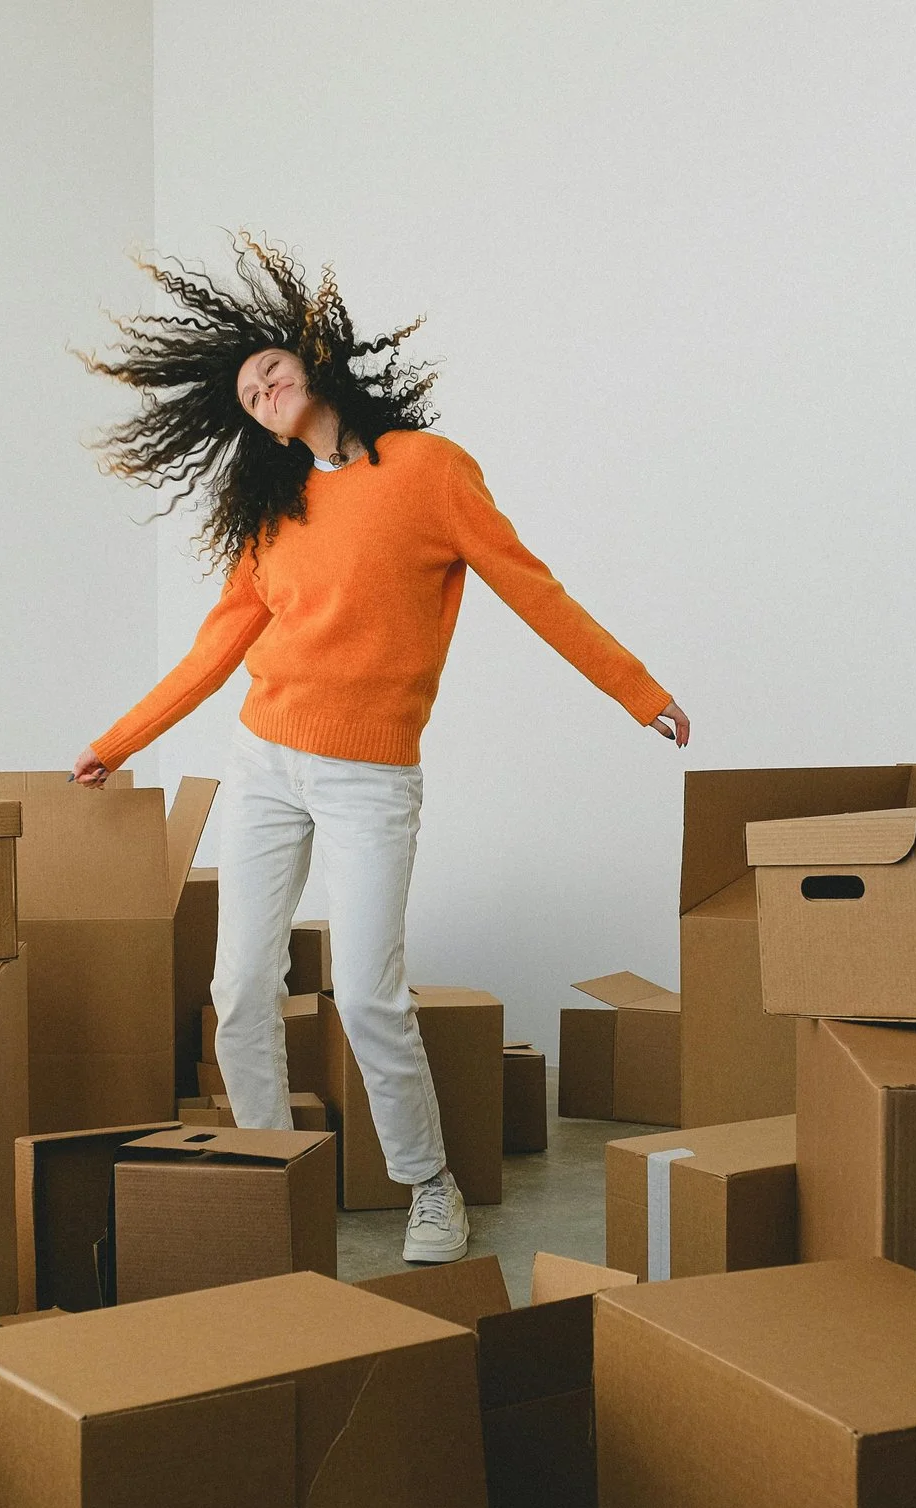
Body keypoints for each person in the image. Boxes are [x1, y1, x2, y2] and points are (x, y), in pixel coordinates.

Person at [71, 237, 688, 1263]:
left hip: (367, 772)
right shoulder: (269, 514)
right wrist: (113, 743)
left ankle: (428, 1185)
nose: (260, 388)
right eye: (244, 391)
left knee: (364, 990)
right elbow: (216, 650)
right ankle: (274, 1181)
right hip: (265, 759)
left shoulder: (428, 472)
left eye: (269, 367)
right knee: (238, 989)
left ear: (315, 359)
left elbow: (533, 589)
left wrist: (638, 693)